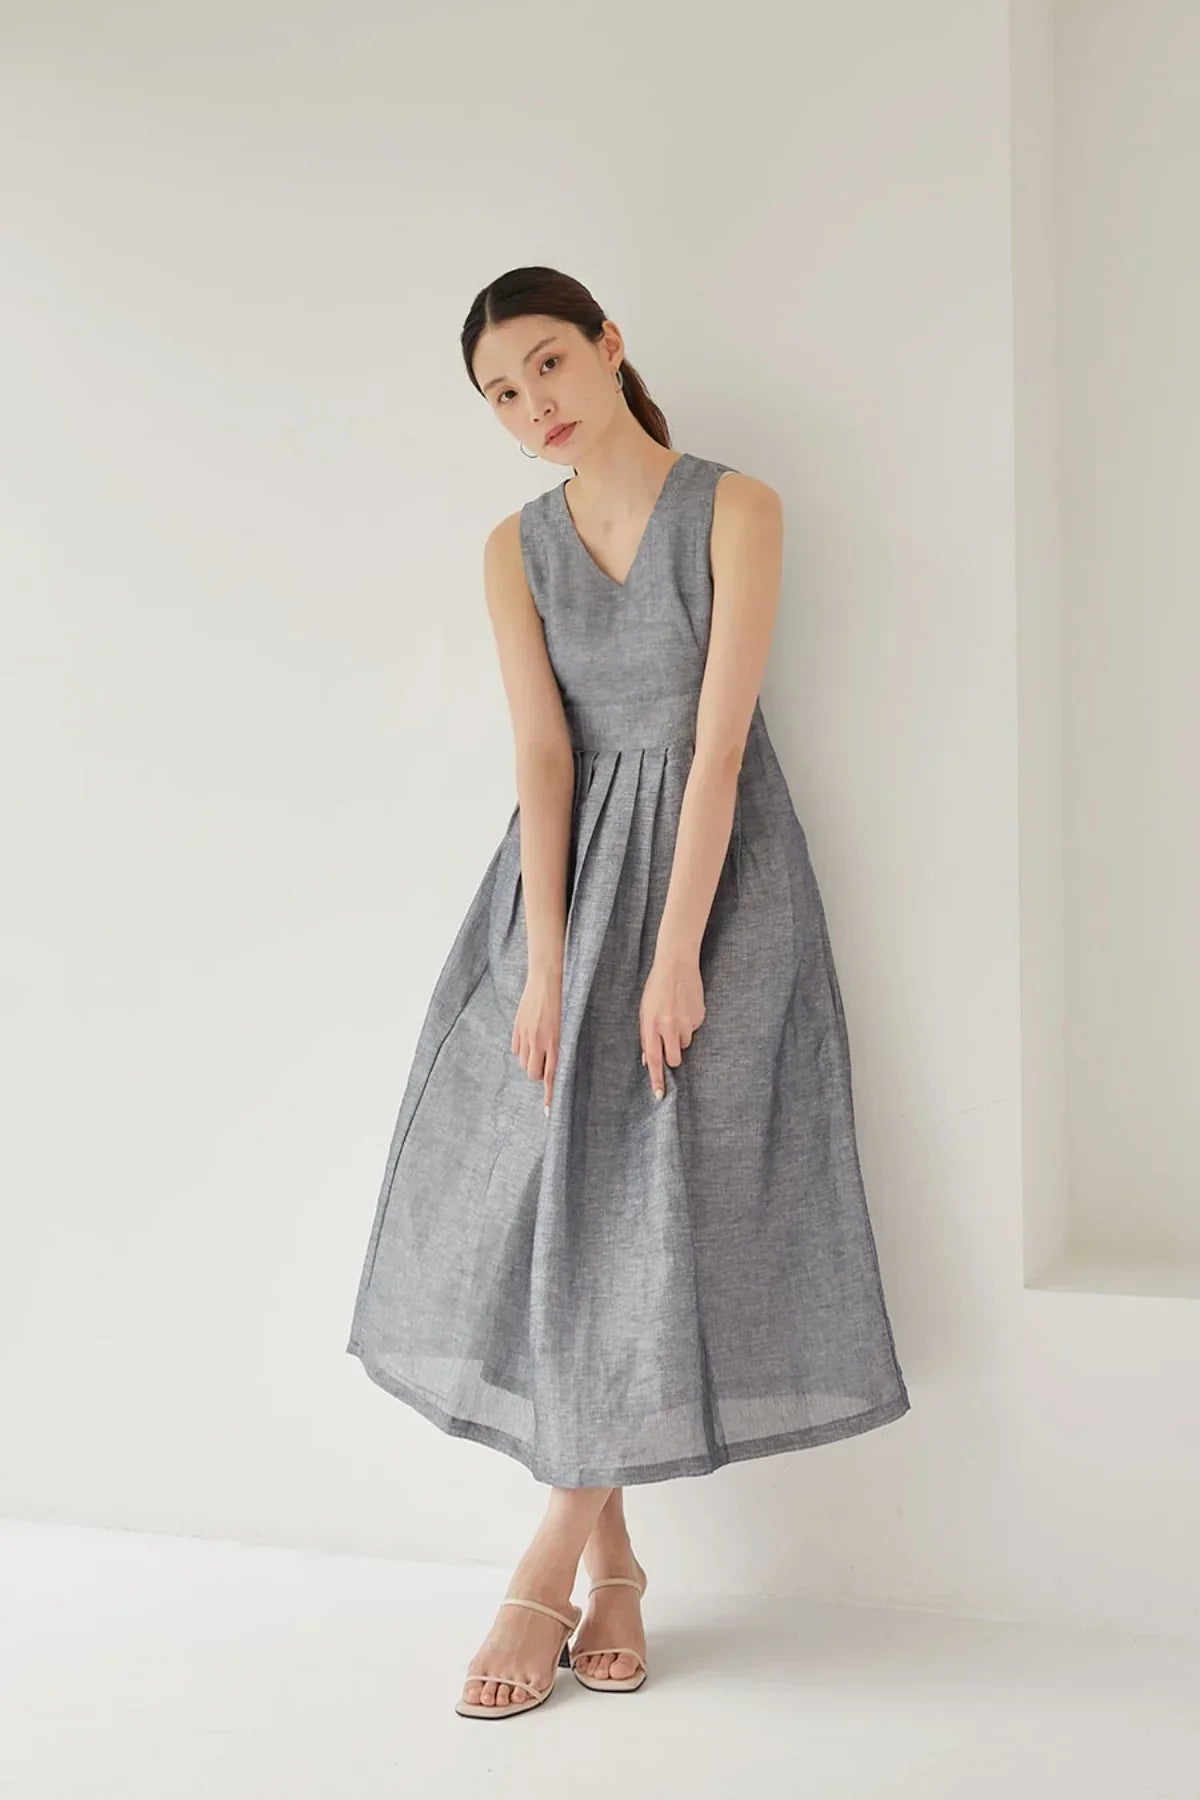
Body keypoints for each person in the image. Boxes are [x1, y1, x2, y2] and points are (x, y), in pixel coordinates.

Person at [345, 266, 911, 1720]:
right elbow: (544, 759)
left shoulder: (737, 508)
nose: (533, 404)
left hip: (721, 889)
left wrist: (674, 951)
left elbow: (717, 753)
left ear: (610, 346)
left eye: (548, 363)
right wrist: (544, 959)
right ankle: (618, 1570)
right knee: (536, 1209)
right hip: (559, 888)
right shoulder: (510, 549)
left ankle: (552, 1561)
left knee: (662, 1214)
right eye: (502, 392)